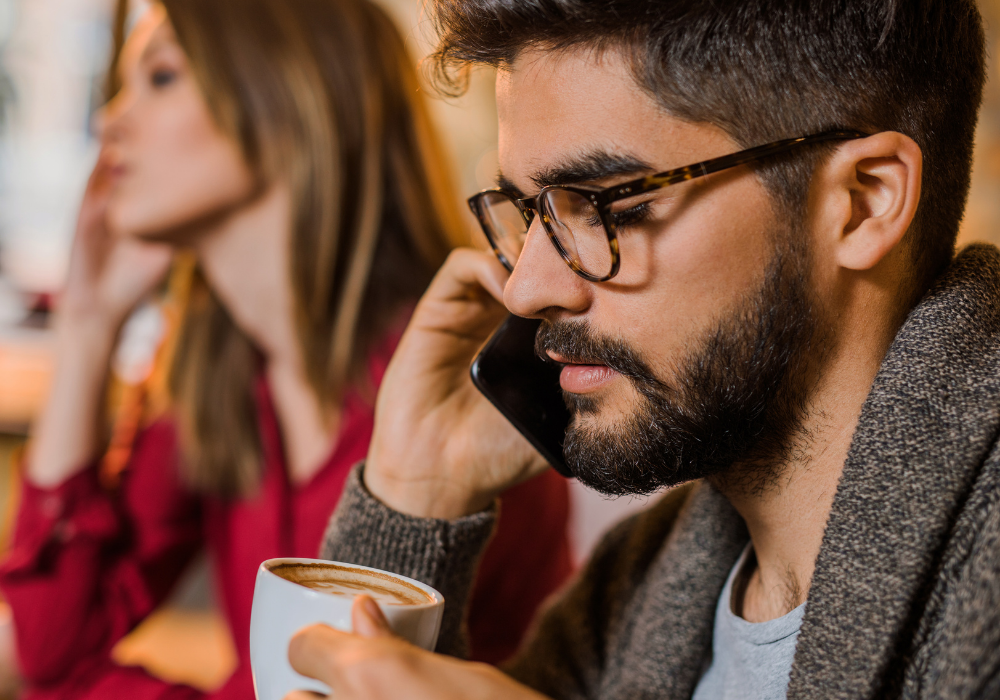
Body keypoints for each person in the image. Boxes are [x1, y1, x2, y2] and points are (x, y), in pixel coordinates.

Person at [280, 0, 1000, 698]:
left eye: (609, 207)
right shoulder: (632, 591)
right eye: (532, 213)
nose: (525, 289)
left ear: (864, 200)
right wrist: (417, 497)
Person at [0, 0, 574, 697]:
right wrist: (88, 328)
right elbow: (49, 646)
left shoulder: (448, 397)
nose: (107, 121)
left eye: (160, 78)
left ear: (282, 102)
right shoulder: (223, 380)